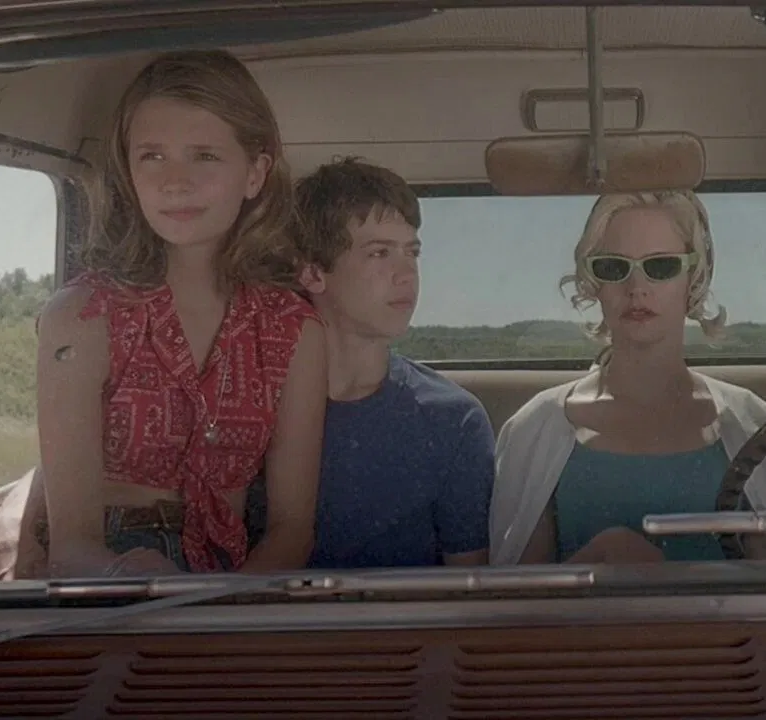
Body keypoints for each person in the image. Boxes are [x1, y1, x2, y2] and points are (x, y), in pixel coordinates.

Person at [33, 50, 328, 578]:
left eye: (204, 156)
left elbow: (292, 528)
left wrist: (224, 606)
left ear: (255, 173)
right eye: (152, 156)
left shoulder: (294, 329)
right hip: (108, 580)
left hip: (233, 580)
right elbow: (71, 546)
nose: (175, 181)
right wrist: (130, 580)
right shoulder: (82, 316)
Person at [491, 190, 766, 566]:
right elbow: (518, 594)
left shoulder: (755, 425)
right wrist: (600, 557)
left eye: (661, 266)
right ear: (593, 282)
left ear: (693, 279)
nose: (637, 288)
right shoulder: (537, 428)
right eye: (613, 267)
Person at [292, 158, 495, 569]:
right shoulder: (250, 411)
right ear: (312, 273)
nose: (407, 275)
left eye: (412, 252)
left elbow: (470, 591)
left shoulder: (452, 419)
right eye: (379, 253)